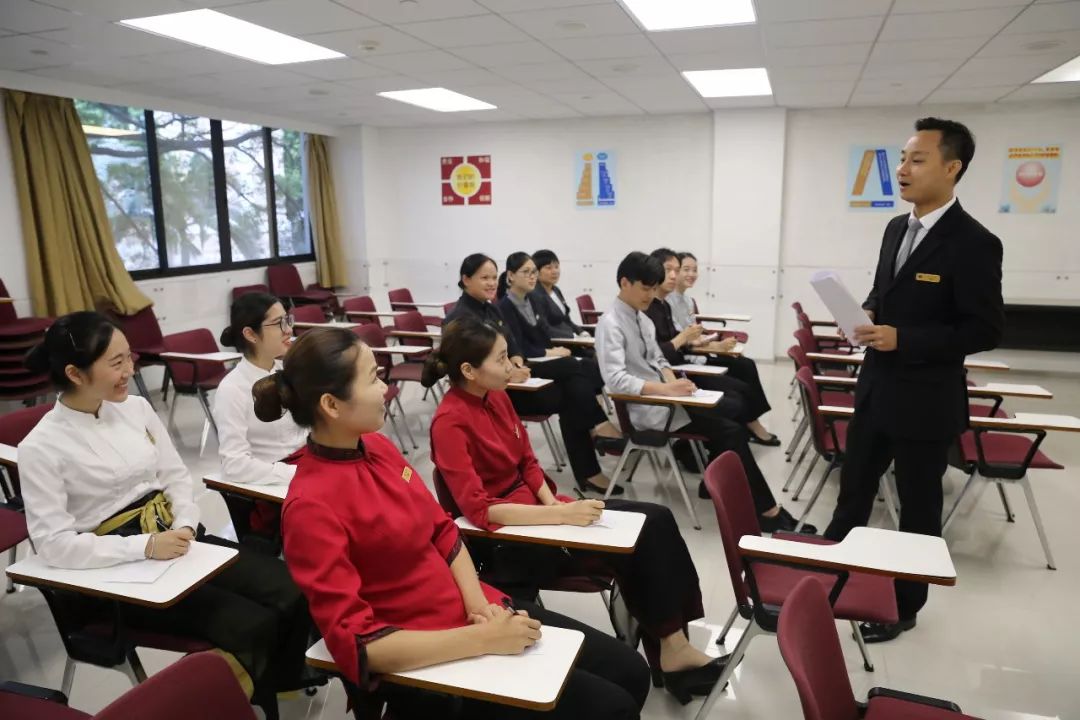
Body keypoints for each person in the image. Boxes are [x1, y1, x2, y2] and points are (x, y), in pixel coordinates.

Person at [258, 327, 651, 720]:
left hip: (472, 611)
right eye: (374, 379)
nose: (385, 390)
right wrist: (481, 638)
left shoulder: (376, 446)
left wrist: (481, 608)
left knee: (629, 671)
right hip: (430, 659)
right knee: (610, 708)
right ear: (331, 403)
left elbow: (443, 531)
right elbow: (360, 645)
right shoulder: (311, 506)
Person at [18, 312, 313, 719]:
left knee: (292, 588)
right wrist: (147, 545)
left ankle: (275, 685)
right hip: (114, 573)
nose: (130, 370)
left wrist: (187, 522)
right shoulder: (41, 447)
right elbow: (53, 545)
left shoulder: (135, 409)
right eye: (116, 363)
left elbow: (175, 477)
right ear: (75, 373)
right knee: (249, 623)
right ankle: (252, 703)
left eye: (129, 358)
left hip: (175, 538)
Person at [425, 315, 725, 704]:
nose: (514, 367)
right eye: (502, 360)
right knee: (642, 534)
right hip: (511, 539)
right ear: (469, 370)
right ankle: (671, 652)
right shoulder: (449, 422)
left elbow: (527, 462)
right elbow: (479, 511)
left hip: (543, 512)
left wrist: (555, 503)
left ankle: (673, 645)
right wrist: (560, 517)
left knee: (656, 519)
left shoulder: (496, 395)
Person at [824, 117, 1003, 643]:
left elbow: (984, 328)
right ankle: (827, 580)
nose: (902, 169)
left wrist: (906, 339)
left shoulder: (974, 242)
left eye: (917, 160)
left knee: (918, 508)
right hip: (877, 389)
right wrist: (867, 314)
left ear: (952, 168)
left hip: (926, 402)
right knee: (852, 492)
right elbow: (885, 291)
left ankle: (903, 606)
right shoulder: (896, 228)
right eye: (902, 158)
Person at [595, 252, 812, 534]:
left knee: (731, 421)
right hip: (647, 407)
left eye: (653, 288)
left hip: (668, 399)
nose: (650, 295)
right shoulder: (610, 324)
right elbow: (615, 380)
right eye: (645, 288)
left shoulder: (642, 319)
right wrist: (666, 389)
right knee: (731, 431)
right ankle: (765, 510)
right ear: (625, 283)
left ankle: (737, 495)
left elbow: (660, 360)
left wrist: (677, 385)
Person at [445, 253, 624, 494]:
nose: (490, 283)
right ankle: (594, 448)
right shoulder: (461, 318)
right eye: (483, 278)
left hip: (513, 381)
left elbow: (512, 344)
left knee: (573, 390)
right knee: (573, 380)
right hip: (496, 395)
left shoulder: (491, 309)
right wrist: (509, 375)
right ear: (466, 280)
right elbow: (470, 371)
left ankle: (590, 468)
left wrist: (516, 363)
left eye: (492, 277)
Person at [646, 248, 779, 447]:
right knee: (739, 390)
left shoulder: (672, 303)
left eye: (692, 270)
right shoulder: (654, 307)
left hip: (684, 362)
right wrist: (695, 343)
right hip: (681, 369)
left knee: (744, 370)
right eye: (677, 270)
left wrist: (710, 342)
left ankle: (745, 428)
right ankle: (743, 429)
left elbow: (685, 339)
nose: (681, 275)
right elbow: (670, 347)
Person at [213, 292, 307, 550]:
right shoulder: (232, 389)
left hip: (306, 468)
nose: (289, 329)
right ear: (251, 334)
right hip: (276, 487)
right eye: (279, 324)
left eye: (288, 320)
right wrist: (292, 474)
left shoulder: (285, 372)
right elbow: (233, 464)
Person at [529, 249, 584, 338]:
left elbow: (567, 320)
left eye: (556, 266)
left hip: (570, 339)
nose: (555, 271)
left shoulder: (556, 290)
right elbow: (544, 328)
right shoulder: (535, 294)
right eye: (549, 268)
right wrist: (572, 336)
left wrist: (582, 333)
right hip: (556, 342)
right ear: (536, 272)